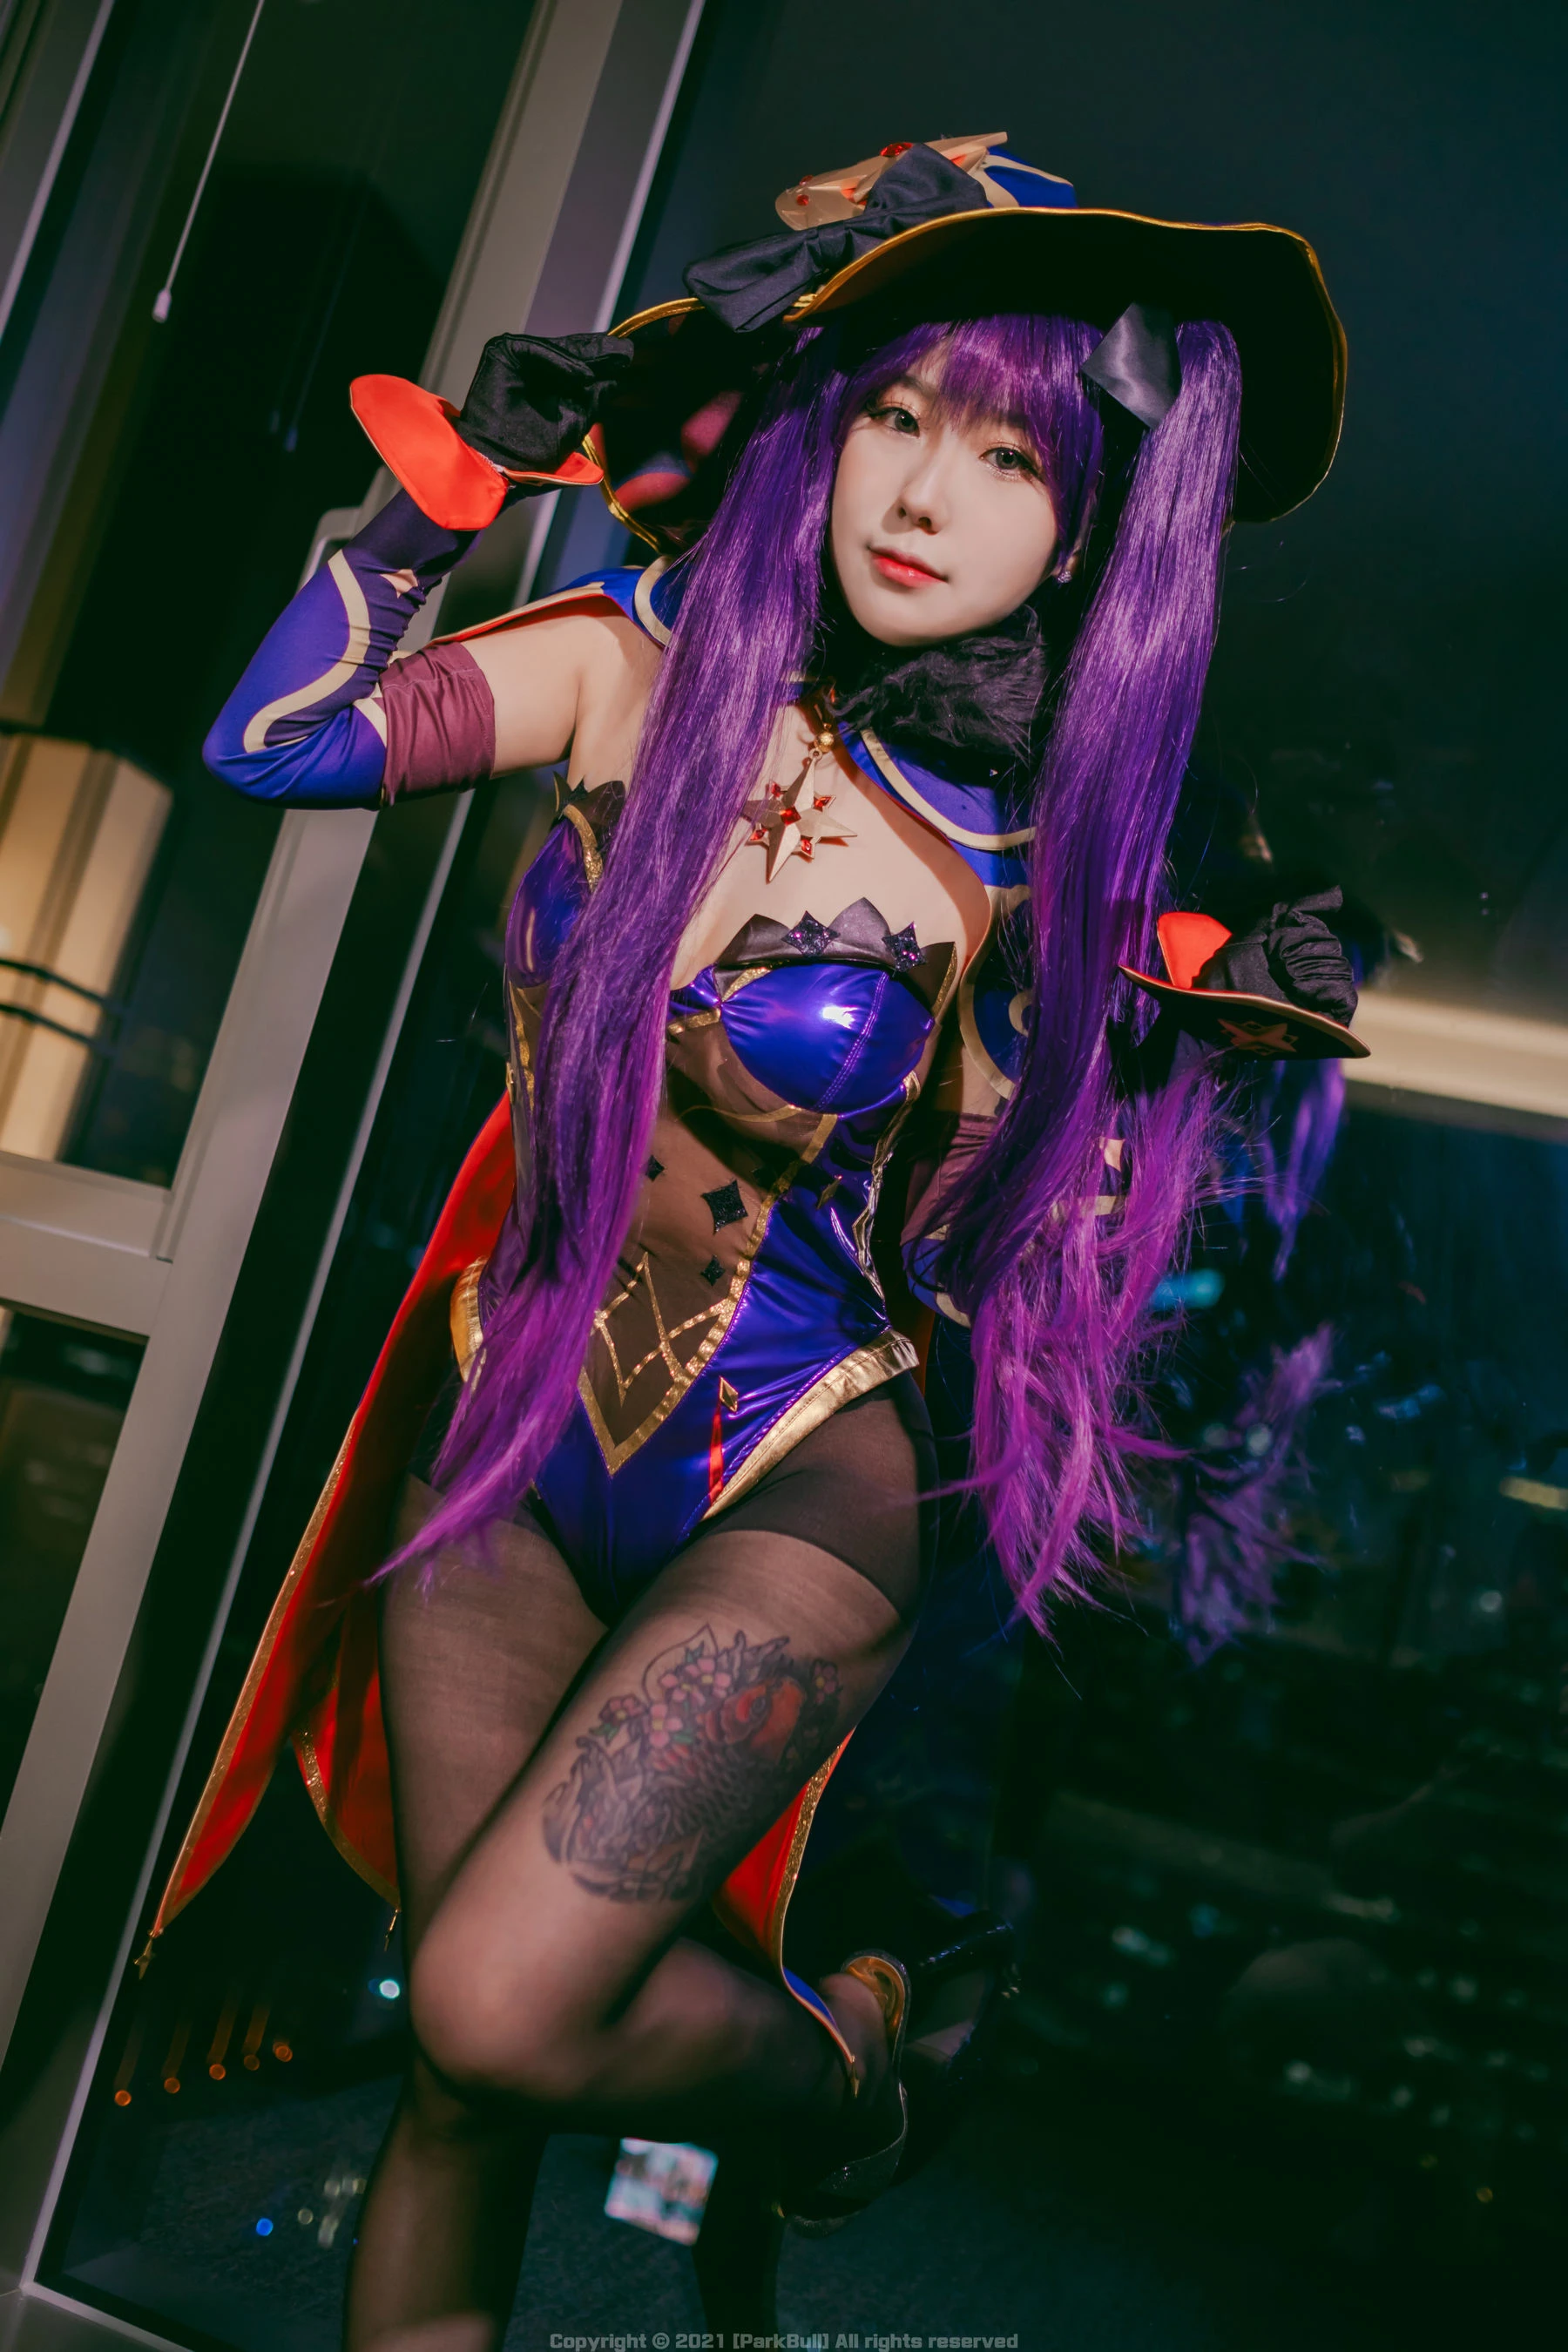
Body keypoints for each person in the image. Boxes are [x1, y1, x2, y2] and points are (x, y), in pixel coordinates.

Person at [141, 135, 1362, 2349]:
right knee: (457, 2085)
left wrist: (1178, 1049)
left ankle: (846, 2072)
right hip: (511, 1427)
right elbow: (271, 743)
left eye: (1011, 457)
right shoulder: (634, 667)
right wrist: (437, 504)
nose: (927, 493)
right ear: (827, 422)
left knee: (500, 2006)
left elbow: (1055, 1209)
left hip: (792, 1479)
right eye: (896, 414)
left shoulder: (1045, 872)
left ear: (1084, 523)